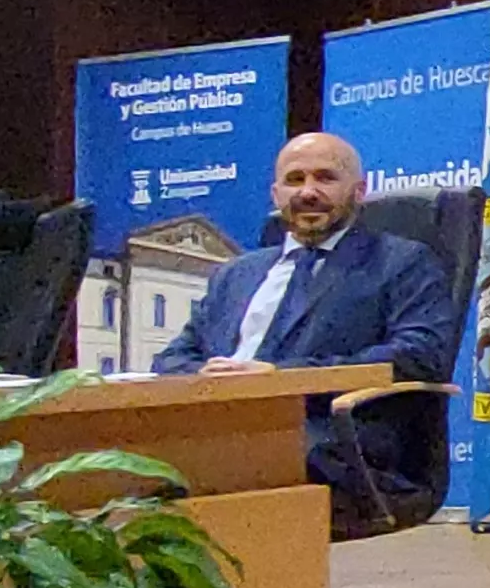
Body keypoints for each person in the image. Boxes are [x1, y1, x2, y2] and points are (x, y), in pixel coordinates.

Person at [153, 133, 456, 502]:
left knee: (224, 460)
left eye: (325, 178)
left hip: (328, 437)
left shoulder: (402, 262)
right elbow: (172, 358)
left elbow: (418, 354)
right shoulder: (234, 275)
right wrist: (211, 379)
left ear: (359, 191)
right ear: (275, 194)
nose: (308, 192)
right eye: (295, 180)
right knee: (129, 461)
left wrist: (280, 378)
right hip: (218, 427)